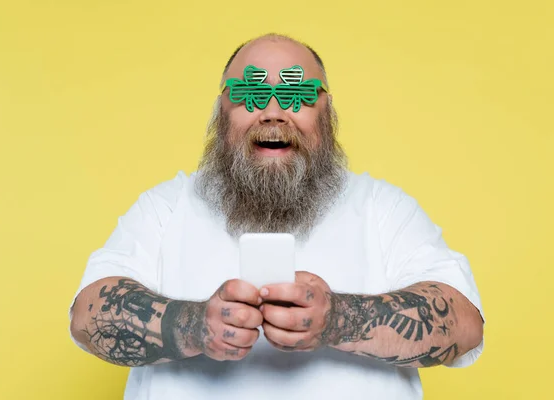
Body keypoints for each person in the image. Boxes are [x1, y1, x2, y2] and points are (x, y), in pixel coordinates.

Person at [69, 33, 484, 400]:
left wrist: (339, 319)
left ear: (326, 110)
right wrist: (194, 325)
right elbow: (88, 316)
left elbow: (464, 326)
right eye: (250, 94)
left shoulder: (383, 207)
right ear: (221, 109)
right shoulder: (166, 205)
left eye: (296, 96)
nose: (272, 112)